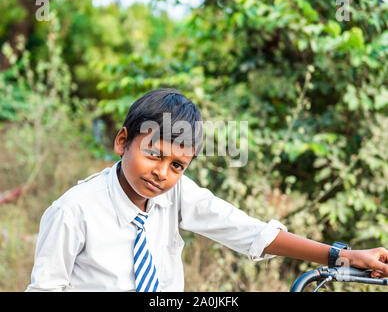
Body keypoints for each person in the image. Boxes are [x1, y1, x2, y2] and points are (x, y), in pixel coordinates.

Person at [26, 88, 388, 292]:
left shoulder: (175, 193)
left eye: (177, 166)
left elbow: (248, 231)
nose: (161, 173)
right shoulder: (74, 211)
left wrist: (343, 256)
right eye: (153, 153)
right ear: (123, 141)